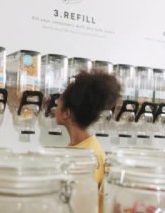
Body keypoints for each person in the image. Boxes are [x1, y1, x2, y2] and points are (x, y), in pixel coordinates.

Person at [55, 71, 121, 213]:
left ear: (66, 113)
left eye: (58, 103)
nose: (54, 108)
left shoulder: (86, 156)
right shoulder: (84, 148)